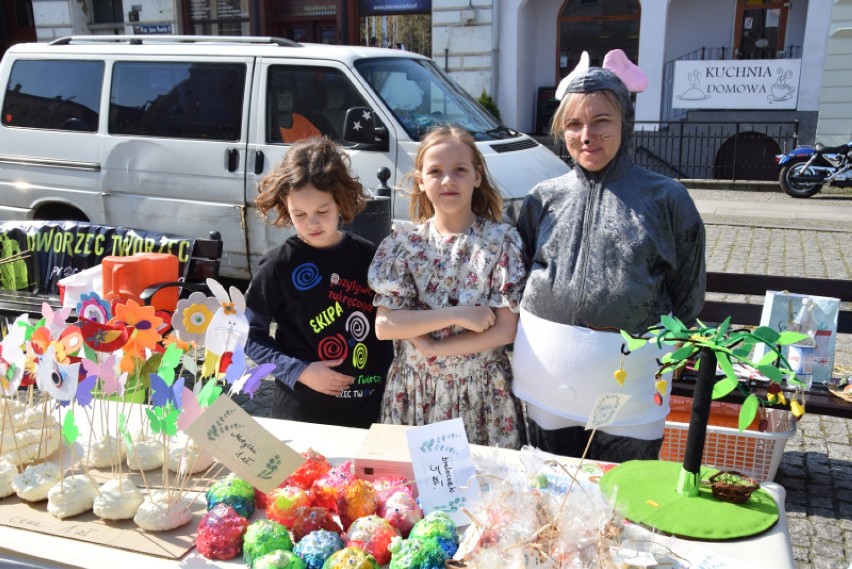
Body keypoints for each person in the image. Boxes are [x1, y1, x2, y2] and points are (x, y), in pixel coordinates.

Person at [512, 50, 706, 463]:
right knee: (551, 490)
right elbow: (519, 273)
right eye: (574, 124)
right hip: (548, 387)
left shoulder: (666, 199)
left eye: (601, 121)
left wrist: (669, 354)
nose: (587, 135)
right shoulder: (543, 198)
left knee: (624, 496)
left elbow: (687, 291)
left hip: (631, 390)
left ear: (626, 124)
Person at [368, 125, 527, 448]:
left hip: (482, 393)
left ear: (477, 176)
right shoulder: (404, 244)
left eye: (459, 170)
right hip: (415, 391)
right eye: (436, 171)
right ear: (421, 180)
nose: (447, 181)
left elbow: (506, 330)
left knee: (485, 492)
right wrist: (460, 314)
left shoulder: (500, 242)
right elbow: (386, 325)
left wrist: (435, 347)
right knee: (411, 493)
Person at [244, 137, 392, 428]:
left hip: (370, 411)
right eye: (299, 215)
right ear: (286, 209)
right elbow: (248, 336)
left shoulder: (371, 257)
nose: (312, 223)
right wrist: (299, 370)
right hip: (302, 416)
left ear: (341, 201)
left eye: (322, 212)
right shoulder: (277, 265)